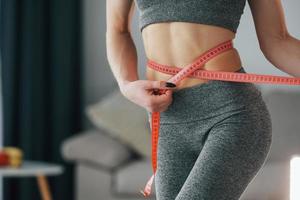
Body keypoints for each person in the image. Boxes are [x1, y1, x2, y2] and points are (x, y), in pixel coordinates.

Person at [105, 0, 300, 199]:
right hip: (168, 120)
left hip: (231, 115)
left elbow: (278, 40)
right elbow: (117, 28)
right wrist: (126, 84)